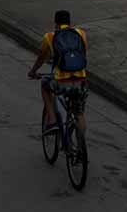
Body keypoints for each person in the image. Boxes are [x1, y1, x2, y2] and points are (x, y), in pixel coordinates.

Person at [28, 10, 88, 155]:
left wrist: (33, 71)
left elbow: (41, 58)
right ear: (70, 22)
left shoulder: (50, 36)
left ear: (55, 22)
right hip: (81, 80)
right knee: (78, 112)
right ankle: (81, 147)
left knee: (45, 85)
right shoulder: (81, 33)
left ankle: (52, 120)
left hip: (62, 81)